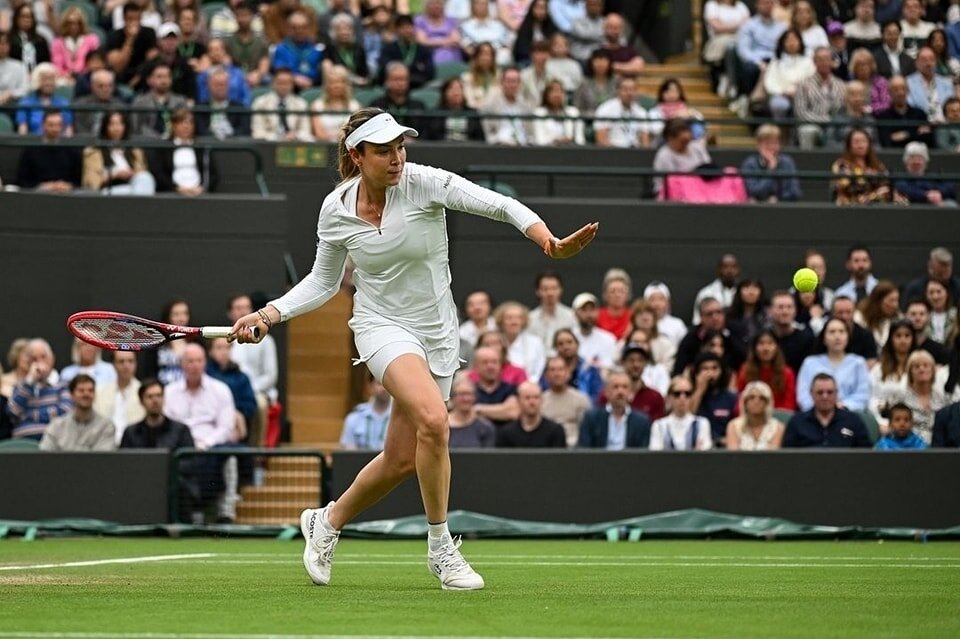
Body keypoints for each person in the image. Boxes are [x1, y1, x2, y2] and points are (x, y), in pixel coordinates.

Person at [229, 106, 597, 589]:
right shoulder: (335, 209)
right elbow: (323, 282)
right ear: (357, 156)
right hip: (381, 325)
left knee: (402, 459)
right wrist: (269, 313)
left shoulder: (426, 182)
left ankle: (327, 521)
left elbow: (501, 205)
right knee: (435, 420)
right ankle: (442, 548)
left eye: (401, 147)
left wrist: (549, 242)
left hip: (437, 332)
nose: (397, 158)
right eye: (384, 151)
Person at [796, 317, 872, 411]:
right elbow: (803, 396)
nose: (837, 336)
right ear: (823, 338)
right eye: (832, 332)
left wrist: (842, 406)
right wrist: (821, 408)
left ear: (848, 336)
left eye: (841, 331)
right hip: (815, 416)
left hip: (849, 414)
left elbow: (863, 395)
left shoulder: (858, 363)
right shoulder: (810, 363)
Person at [783, 372, 873, 446]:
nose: (825, 396)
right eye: (820, 392)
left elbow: (866, 455)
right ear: (811, 394)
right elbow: (787, 458)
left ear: (836, 393)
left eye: (830, 392)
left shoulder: (853, 421)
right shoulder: (797, 422)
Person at [7, 338, 71, 440]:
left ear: (52, 358)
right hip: (22, 443)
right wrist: (29, 383)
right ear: (28, 363)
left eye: (43, 357)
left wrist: (29, 415)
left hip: (54, 441)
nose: (40, 362)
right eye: (34, 359)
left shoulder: (63, 384)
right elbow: (13, 412)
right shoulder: (21, 386)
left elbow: (65, 411)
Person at [82, 111, 156, 195]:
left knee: (145, 178)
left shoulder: (134, 150)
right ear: (105, 127)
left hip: (132, 186)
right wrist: (115, 174)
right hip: (107, 191)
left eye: (120, 124)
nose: (116, 128)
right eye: (112, 124)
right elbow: (92, 182)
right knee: (138, 191)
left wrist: (132, 173)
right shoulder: (94, 151)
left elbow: (141, 173)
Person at [38, 374, 115, 451]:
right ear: (72, 395)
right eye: (81, 390)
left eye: (91, 390)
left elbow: (102, 459)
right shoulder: (56, 426)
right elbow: (45, 455)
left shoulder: (106, 426)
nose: (86, 394)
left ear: (95, 395)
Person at [577, 370, 651, 449]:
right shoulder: (592, 418)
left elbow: (643, 455)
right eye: (615, 387)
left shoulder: (642, 421)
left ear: (631, 393)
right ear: (606, 392)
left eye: (625, 387)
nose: (620, 391)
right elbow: (584, 450)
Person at [152, 108, 219, 195]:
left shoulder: (202, 148)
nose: (186, 126)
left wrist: (202, 188)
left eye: (190, 122)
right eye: (181, 122)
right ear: (173, 125)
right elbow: (158, 173)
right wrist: (176, 188)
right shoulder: (164, 147)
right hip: (171, 195)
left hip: (199, 194)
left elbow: (213, 174)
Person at [793, 46, 847, 148]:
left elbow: (844, 108)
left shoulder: (840, 85)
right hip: (812, 124)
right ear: (814, 62)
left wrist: (834, 122)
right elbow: (801, 113)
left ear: (832, 62)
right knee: (807, 131)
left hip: (836, 125)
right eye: (820, 60)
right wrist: (824, 120)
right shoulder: (803, 84)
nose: (824, 63)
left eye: (827, 59)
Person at [733, 0, 787, 101]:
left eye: (770, 3)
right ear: (757, 5)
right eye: (764, 3)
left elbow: (784, 50)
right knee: (749, 68)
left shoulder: (781, 27)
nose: (768, 6)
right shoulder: (748, 25)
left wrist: (775, 62)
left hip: (776, 61)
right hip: (756, 61)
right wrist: (759, 63)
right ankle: (745, 100)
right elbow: (743, 50)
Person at [15, 110, 81, 192]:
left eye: (59, 125)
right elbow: (22, 180)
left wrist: (68, 186)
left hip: (66, 196)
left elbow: (79, 180)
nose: (55, 129)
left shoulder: (72, 150)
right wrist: (41, 186)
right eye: (51, 125)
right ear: (43, 125)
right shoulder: (31, 150)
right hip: (37, 196)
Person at [831, 127, 901, 205]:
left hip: (876, 206)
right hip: (850, 205)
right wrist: (875, 192)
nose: (860, 145)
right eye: (856, 142)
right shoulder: (841, 164)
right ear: (849, 145)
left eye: (864, 141)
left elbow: (886, 184)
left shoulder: (877, 165)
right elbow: (849, 188)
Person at [120, 378, 195, 449]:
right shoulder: (131, 433)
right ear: (141, 401)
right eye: (150, 397)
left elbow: (189, 460)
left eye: (159, 396)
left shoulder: (181, 431)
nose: (155, 401)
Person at [737, 328, 798, 411]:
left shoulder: (787, 373)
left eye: (770, 343)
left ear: (776, 347)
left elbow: (789, 405)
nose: (766, 348)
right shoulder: (745, 370)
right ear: (754, 348)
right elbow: (740, 402)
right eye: (761, 343)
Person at [92, 351, 145, 445]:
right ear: (113, 365)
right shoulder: (100, 392)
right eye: (121, 361)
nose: (126, 365)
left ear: (136, 364)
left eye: (130, 361)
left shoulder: (144, 393)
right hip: (103, 444)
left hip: (134, 446)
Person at [740, 124, 802, 202]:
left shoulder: (787, 162)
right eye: (767, 143)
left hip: (782, 208)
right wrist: (771, 170)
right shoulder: (750, 163)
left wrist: (778, 199)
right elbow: (753, 191)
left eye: (775, 143)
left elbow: (795, 192)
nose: (771, 147)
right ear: (758, 145)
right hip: (757, 208)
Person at [653, 118, 713, 199]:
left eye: (688, 141)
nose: (686, 144)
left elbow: (709, 169)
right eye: (682, 141)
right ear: (670, 139)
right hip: (673, 197)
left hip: (702, 193)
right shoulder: (664, 155)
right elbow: (671, 183)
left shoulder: (697, 148)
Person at [648, 375, 713, 450]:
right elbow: (655, 455)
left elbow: (704, 454)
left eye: (687, 394)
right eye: (677, 394)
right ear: (669, 397)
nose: (682, 398)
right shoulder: (659, 426)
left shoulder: (702, 423)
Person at [763, 29, 816, 120]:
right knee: (779, 105)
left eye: (794, 40)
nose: (791, 43)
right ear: (783, 43)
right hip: (781, 95)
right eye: (788, 40)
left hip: (802, 96)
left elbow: (812, 80)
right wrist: (783, 92)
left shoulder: (808, 61)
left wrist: (797, 91)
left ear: (800, 42)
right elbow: (769, 82)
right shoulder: (776, 61)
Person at [539, 355, 591, 447]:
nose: (557, 374)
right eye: (552, 370)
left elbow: (586, 431)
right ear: (546, 376)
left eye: (560, 369)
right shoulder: (540, 400)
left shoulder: (581, 399)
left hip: (574, 449)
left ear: (568, 373)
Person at [496, 381, 567, 447]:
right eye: (527, 398)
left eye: (536, 397)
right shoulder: (506, 433)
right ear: (518, 401)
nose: (532, 402)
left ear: (542, 400)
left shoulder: (555, 431)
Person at [688, 351, 737, 446]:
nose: (710, 373)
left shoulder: (731, 398)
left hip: (723, 447)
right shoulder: (686, 394)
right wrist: (699, 390)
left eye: (714, 368)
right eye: (705, 369)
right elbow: (687, 418)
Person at [251, 68, 313, 142]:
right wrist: (279, 137)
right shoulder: (260, 103)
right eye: (280, 83)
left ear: (292, 85)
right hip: (269, 145)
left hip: (294, 144)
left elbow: (306, 131)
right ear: (273, 83)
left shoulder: (301, 104)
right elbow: (257, 133)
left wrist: (295, 135)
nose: (284, 86)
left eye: (287, 83)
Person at [544, 328, 604, 403]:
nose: (566, 347)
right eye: (560, 344)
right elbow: (543, 391)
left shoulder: (589, 369)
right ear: (555, 348)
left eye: (569, 342)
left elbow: (597, 394)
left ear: (577, 344)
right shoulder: (550, 369)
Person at [105, 2, 158, 86]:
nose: (134, 23)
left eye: (137, 19)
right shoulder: (114, 36)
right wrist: (130, 39)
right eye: (131, 19)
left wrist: (137, 78)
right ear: (124, 19)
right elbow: (118, 67)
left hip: (143, 78)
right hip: (121, 79)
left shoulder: (149, 33)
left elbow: (152, 60)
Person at [131, 62, 189, 138]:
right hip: (148, 144)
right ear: (149, 80)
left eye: (167, 76)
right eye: (159, 77)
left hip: (175, 143)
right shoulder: (140, 102)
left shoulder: (180, 101)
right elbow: (137, 129)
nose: (164, 80)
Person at [876, 74, 934, 149]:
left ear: (908, 90)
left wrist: (906, 134)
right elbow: (886, 143)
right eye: (896, 89)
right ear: (889, 92)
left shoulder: (920, 114)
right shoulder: (883, 117)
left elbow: (927, 139)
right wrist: (916, 133)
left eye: (903, 89)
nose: (900, 93)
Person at [378, 14, 435, 88]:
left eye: (409, 26)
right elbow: (385, 67)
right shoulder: (388, 48)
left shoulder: (423, 50)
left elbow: (430, 72)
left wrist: (399, 65)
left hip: (418, 84)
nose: (407, 30)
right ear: (396, 30)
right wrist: (416, 67)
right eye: (403, 27)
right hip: (394, 84)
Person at [481, 66, 534, 145]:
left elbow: (531, 135)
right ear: (502, 83)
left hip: (523, 148)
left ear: (519, 84)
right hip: (500, 148)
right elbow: (488, 135)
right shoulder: (490, 107)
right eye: (508, 81)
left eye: (515, 81)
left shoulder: (527, 107)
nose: (512, 85)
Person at [271, 10, 324, 90]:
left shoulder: (316, 48)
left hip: (314, 86)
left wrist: (313, 82)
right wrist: (294, 78)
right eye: (294, 28)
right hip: (289, 89)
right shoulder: (281, 49)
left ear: (308, 28)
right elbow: (280, 71)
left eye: (303, 27)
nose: (299, 31)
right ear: (288, 29)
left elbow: (320, 72)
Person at [194, 66, 251, 139]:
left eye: (223, 84)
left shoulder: (240, 108)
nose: (220, 88)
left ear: (228, 86)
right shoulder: (200, 109)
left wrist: (228, 139)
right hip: (208, 146)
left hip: (234, 146)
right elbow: (200, 130)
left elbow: (244, 131)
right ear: (208, 86)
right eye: (216, 84)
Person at [370, 62, 429, 133]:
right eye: (397, 79)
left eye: (404, 79)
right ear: (387, 81)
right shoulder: (377, 105)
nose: (401, 83)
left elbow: (425, 133)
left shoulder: (418, 106)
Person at [16, 63, 73, 136]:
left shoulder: (64, 103)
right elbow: (22, 131)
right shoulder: (25, 103)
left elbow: (68, 130)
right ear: (37, 81)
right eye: (44, 79)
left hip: (60, 144)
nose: (48, 83)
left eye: (51, 79)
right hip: (34, 144)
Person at [725, 381, 786, 449]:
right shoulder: (733, 426)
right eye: (751, 397)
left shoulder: (778, 428)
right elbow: (733, 457)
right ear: (745, 402)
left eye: (761, 398)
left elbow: (774, 456)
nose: (756, 402)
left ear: (767, 403)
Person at [592, 76, 650, 149]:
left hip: (635, 152)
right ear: (618, 91)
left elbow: (645, 140)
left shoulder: (641, 112)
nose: (629, 93)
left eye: (632, 89)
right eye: (625, 89)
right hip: (612, 151)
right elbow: (601, 139)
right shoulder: (605, 109)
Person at [894, 142, 957, 206]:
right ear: (906, 162)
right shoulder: (901, 178)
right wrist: (926, 195)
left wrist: (939, 193)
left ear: (925, 162)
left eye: (919, 158)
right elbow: (904, 189)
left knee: (951, 204)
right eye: (912, 158)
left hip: (937, 205)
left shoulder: (934, 176)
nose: (916, 161)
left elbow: (950, 187)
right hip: (912, 207)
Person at [527, 270, 576, 352]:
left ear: (560, 290)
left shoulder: (571, 317)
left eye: (554, 288)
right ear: (538, 291)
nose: (550, 293)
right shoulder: (530, 319)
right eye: (545, 289)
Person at [339, 374, 392, 450]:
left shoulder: (401, 418)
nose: (384, 388)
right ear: (370, 386)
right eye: (379, 384)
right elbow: (349, 453)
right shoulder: (354, 418)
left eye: (387, 385)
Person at [495, 301, 545, 381]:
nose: (514, 322)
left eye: (518, 318)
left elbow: (539, 370)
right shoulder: (494, 341)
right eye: (509, 318)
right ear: (501, 321)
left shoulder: (535, 342)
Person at [312, 64, 362, 142]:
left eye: (340, 82)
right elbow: (319, 134)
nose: (336, 86)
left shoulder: (355, 106)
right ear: (327, 85)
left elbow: (356, 132)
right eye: (332, 82)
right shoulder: (317, 105)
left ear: (346, 85)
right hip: (324, 146)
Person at [51, 6, 101, 83]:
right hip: (64, 78)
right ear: (65, 24)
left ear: (81, 24)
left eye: (77, 23)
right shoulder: (57, 43)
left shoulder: (92, 40)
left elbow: (93, 62)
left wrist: (80, 75)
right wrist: (66, 75)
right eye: (70, 23)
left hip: (86, 77)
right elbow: (57, 66)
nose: (74, 26)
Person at [901, 247, 960, 312]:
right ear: (931, 266)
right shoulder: (915, 288)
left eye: (949, 265)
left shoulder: (957, 286)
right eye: (942, 266)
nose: (936, 297)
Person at [446, 374, 496, 448]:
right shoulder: (443, 426)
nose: (466, 399)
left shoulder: (485, 427)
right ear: (453, 397)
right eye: (461, 394)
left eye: (469, 394)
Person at [571, 292, 618, 369]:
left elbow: (609, 368)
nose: (589, 314)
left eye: (592, 309)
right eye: (584, 310)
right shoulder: (568, 338)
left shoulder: (608, 339)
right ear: (575, 313)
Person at [532, 78, 585, 146]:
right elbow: (539, 140)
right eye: (553, 91)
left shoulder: (573, 112)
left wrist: (571, 140)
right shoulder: (539, 113)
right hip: (547, 152)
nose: (557, 94)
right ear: (546, 95)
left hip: (571, 151)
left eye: (560, 91)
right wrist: (556, 141)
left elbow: (580, 140)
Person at [906, 46, 953, 122]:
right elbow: (909, 108)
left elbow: (951, 107)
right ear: (916, 63)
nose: (928, 63)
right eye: (924, 60)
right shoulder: (908, 83)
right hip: (920, 126)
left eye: (931, 59)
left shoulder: (947, 83)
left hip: (945, 126)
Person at [855, 279, 901, 352]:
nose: (895, 305)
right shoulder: (859, 318)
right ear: (878, 301)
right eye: (891, 300)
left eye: (897, 300)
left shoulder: (899, 319)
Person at [643, 282, 688, 347]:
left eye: (661, 299)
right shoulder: (641, 323)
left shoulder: (678, 325)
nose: (657, 304)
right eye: (652, 299)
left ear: (668, 302)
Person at [905, 298, 949, 365]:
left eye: (922, 314)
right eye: (913, 314)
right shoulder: (900, 348)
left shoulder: (939, 350)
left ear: (928, 317)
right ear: (906, 316)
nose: (917, 318)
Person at [572, 47, 615, 116]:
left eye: (604, 60)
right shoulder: (583, 83)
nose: (600, 64)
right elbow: (577, 108)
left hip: (613, 120)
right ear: (591, 63)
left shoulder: (617, 82)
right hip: (589, 120)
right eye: (597, 61)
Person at [0, 30, 29, 106]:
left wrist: (11, 94)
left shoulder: (19, 66)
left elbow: (24, 90)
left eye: (5, 43)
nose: (2, 47)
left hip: (14, 106)